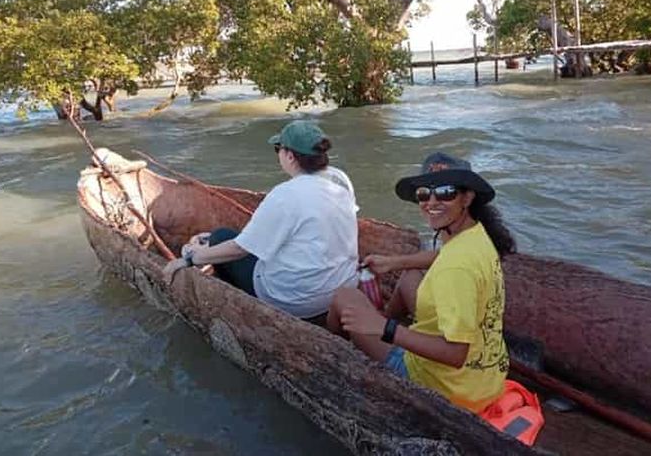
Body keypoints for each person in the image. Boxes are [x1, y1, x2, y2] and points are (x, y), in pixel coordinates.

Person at [327, 152, 513, 413]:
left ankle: (336, 353)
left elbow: (456, 354)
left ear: (467, 197)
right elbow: (443, 256)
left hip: (447, 389)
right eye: (425, 194)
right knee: (410, 276)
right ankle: (376, 330)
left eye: (446, 193)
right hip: (484, 381)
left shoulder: (456, 269)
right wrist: (394, 263)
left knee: (344, 297)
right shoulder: (476, 235)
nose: (432, 202)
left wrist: (385, 328)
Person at [163, 120, 359, 319]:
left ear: (290, 156)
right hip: (343, 288)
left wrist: (190, 259)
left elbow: (239, 249)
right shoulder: (339, 179)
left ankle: (236, 306)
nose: (278, 154)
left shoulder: (285, 194)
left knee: (220, 236)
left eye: (278, 148)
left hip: (295, 301)